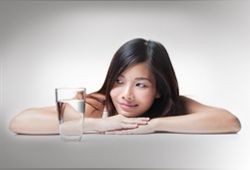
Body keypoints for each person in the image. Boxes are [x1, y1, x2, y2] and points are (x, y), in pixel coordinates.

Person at [9, 38, 241, 135]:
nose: (126, 95)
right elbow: (20, 121)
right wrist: (98, 125)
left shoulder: (174, 105)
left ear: (159, 89)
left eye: (140, 84)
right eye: (118, 82)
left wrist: (154, 125)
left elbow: (230, 122)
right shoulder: (96, 105)